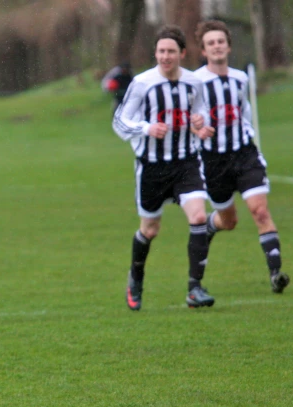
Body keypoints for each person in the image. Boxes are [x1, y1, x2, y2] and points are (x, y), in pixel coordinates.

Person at [113, 25, 217, 311]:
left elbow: (204, 115)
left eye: (171, 51)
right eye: (161, 51)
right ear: (155, 53)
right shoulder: (143, 83)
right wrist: (146, 128)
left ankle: (195, 288)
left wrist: (201, 125)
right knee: (150, 229)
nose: (165, 56)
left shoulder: (194, 82)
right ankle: (136, 277)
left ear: (182, 53)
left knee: (198, 217)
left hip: (186, 162)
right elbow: (120, 121)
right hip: (152, 167)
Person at [194, 20, 290, 293]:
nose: (217, 47)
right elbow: (187, 116)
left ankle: (276, 274)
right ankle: (213, 225)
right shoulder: (196, 81)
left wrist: (246, 132)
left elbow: (244, 112)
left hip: (244, 155)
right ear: (204, 50)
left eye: (221, 42)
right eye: (211, 43)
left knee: (260, 211)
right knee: (229, 221)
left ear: (229, 46)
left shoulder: (240, 78)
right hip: (214, 162)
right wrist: (197, 127)